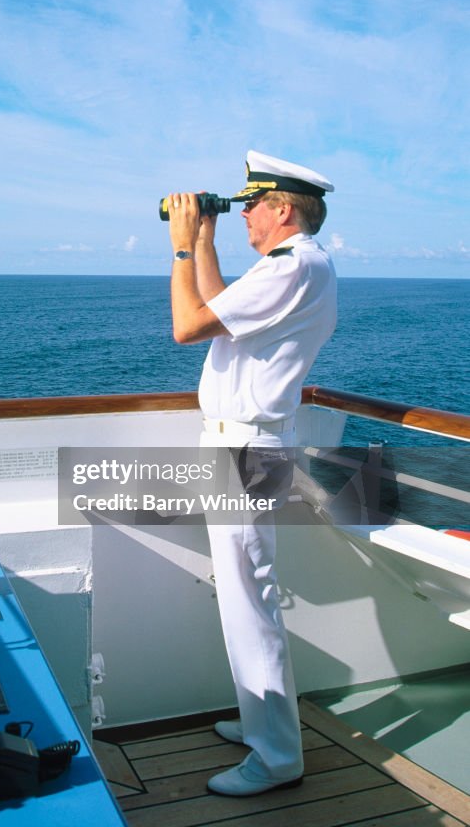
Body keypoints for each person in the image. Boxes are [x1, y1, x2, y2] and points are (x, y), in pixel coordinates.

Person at [166, 150, 337, 797]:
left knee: (249, 602)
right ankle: (260, 720)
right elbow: (216, 305)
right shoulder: (289, 268)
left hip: (245, 452)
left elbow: (186, 325)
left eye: (250, 204)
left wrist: (181, 248)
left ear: (283, 209)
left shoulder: (294, 267)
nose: (243, 216)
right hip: (242, 448)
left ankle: (276, 755)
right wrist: (204, 237)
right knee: (243, 592)